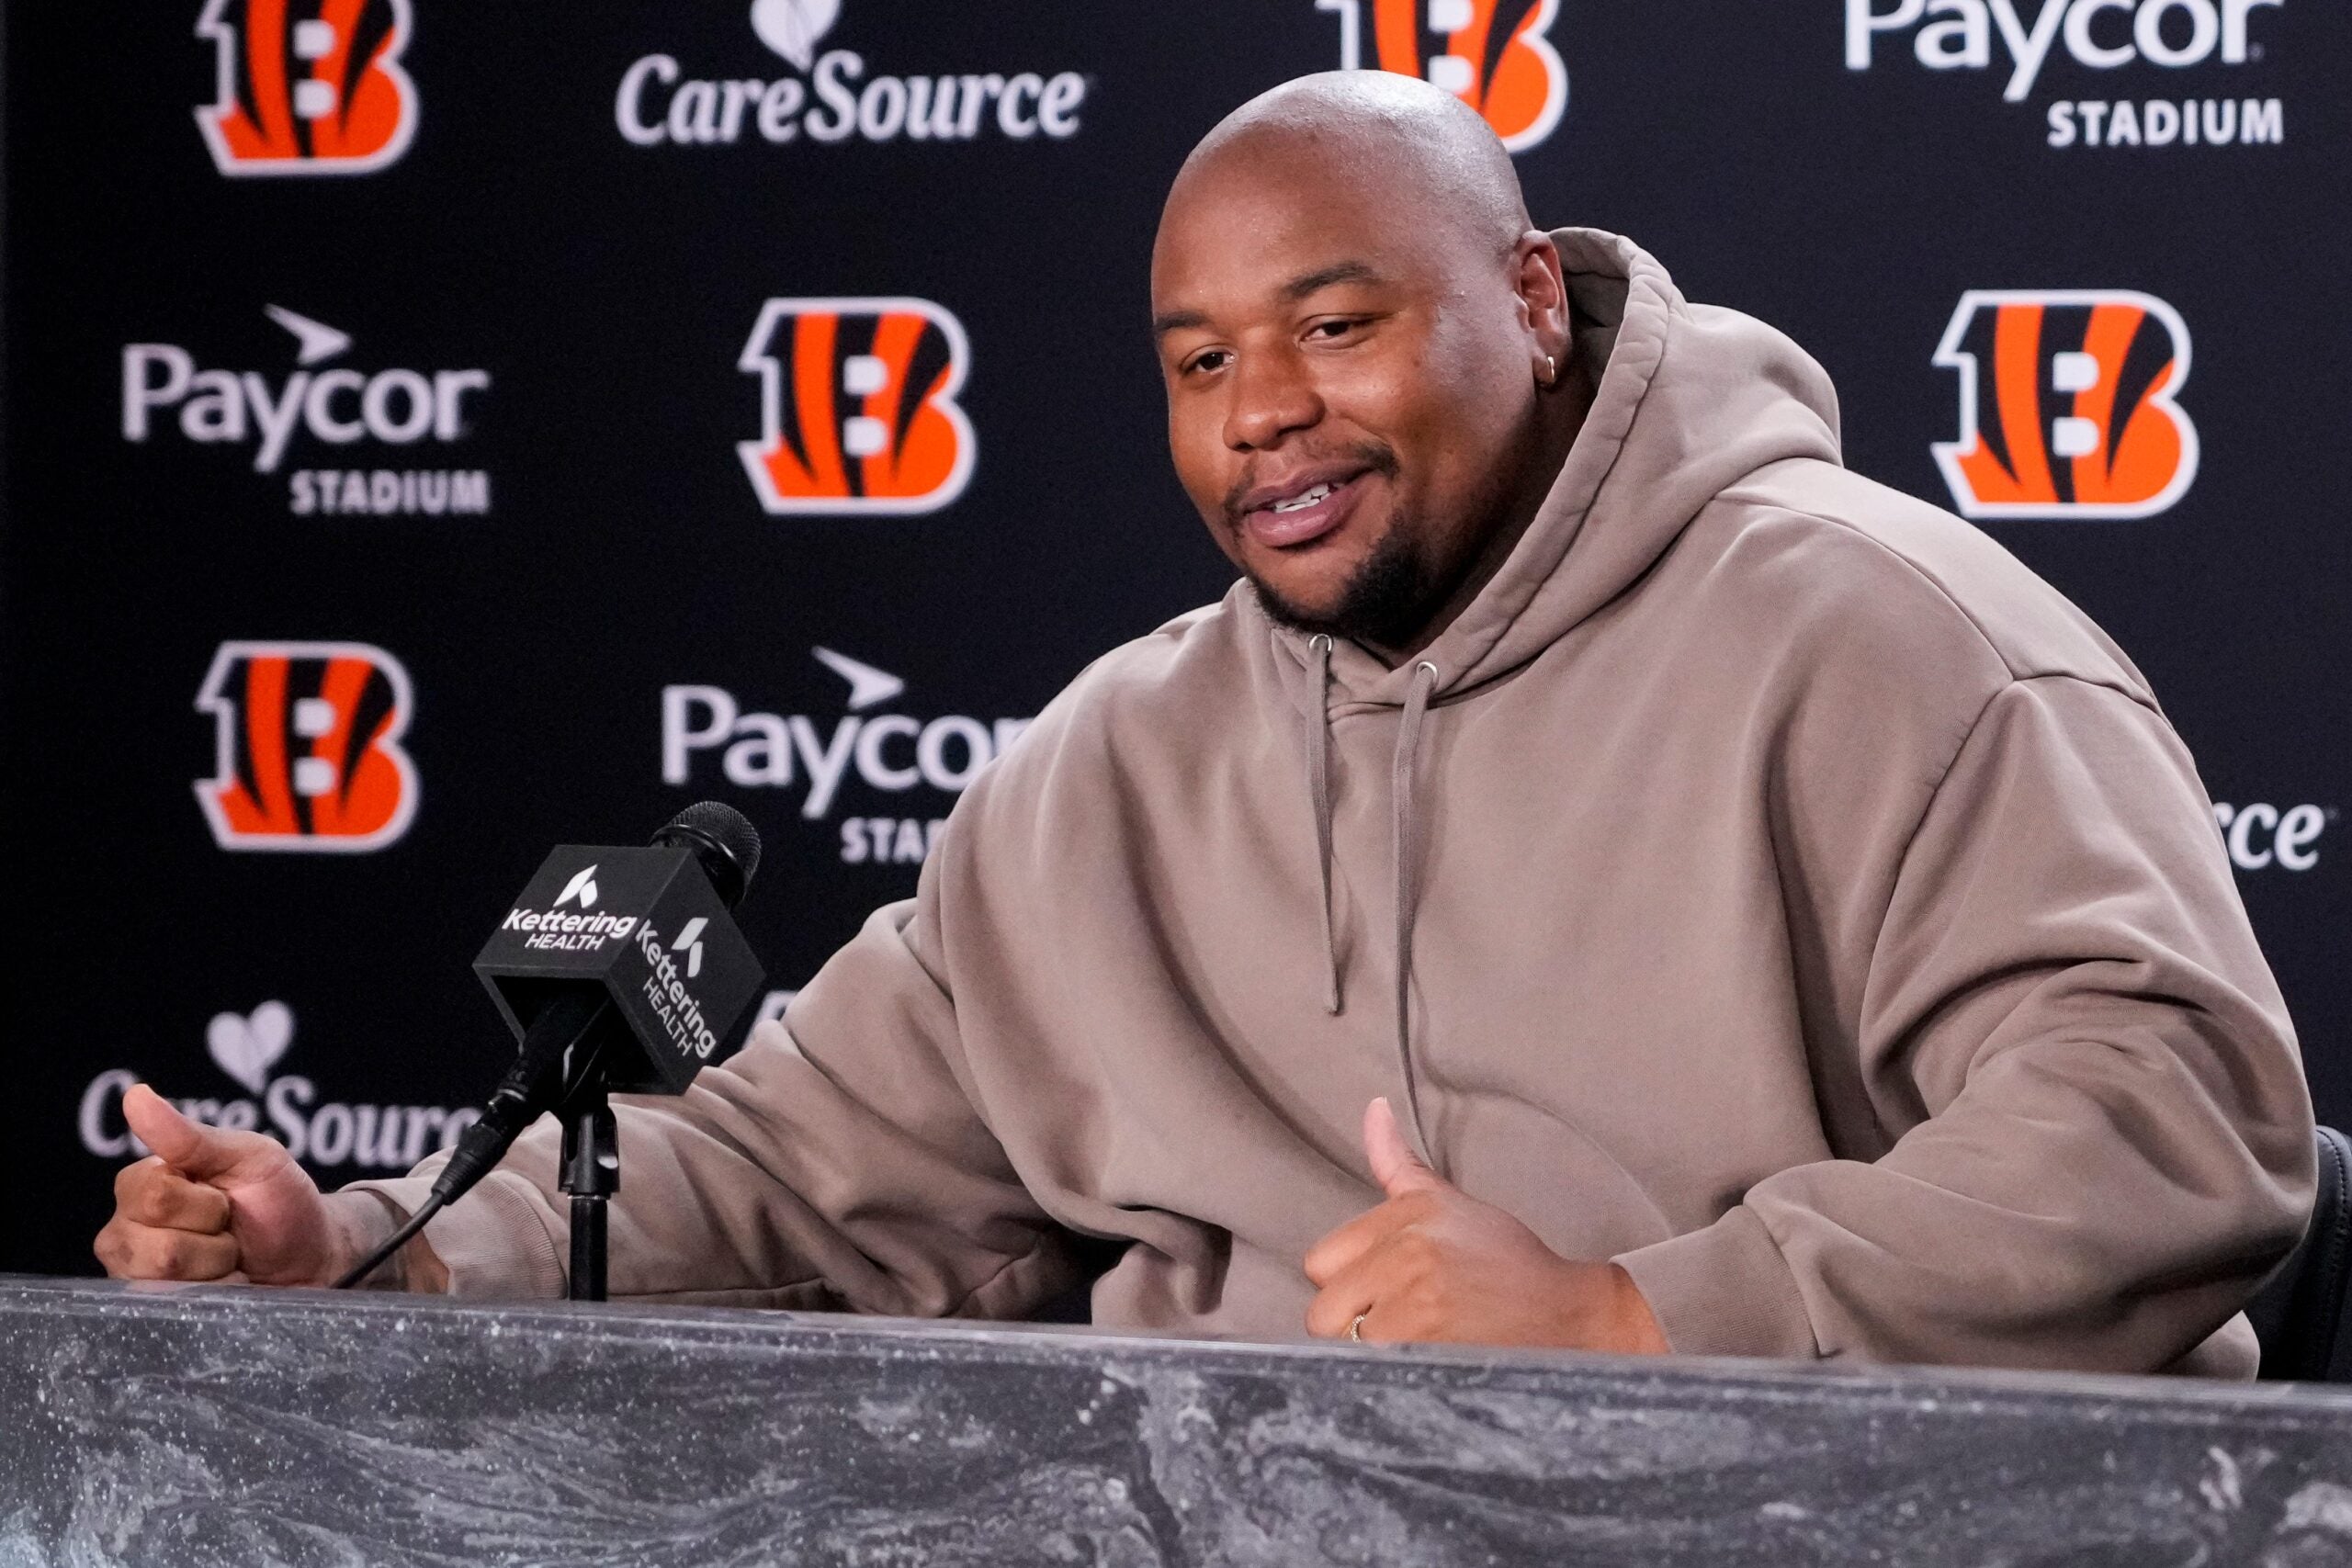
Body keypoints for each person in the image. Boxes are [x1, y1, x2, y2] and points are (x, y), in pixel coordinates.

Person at [97, 73, 2313, 1375]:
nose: (1264, 414)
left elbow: (2166, 1124)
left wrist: (1631, 1317)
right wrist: (366, 1249)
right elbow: (794, 1168)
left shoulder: (1887, 638)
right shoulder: (1105, 772)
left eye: (1334, 325)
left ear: (1525, 302)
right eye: (1195, 360)